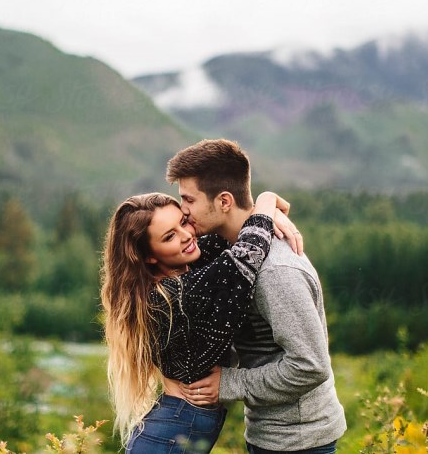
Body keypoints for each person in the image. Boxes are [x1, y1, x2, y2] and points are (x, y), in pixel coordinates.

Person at [167, 139, 347, 454]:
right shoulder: (232, 250)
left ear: (224, 201)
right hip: (269, 434)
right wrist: (266, 204)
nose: (183, 210)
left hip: (300, 442)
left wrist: (229, 383)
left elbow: (311, 365)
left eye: (188, 199)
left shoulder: (275, 271)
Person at [100, 190, 301, 453]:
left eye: (183, 222)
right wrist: (266, 200)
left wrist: (265, 211)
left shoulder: (186, 266)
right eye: (169, 236)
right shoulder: (172, 296)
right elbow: (246, 252)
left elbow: (228, 230)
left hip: (175, 427)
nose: (186, 236)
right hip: (169, 434)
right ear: (149, 255)